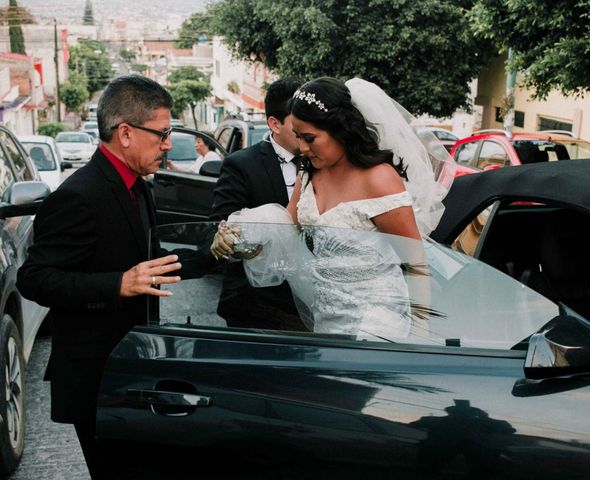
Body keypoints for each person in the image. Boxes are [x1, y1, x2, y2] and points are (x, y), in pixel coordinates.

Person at [16, 74, 182, 479]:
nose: (168, 144)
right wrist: (117, 284)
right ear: (125, 133)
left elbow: (149, 263)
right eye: (162, 134)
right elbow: (34, 279)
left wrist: (218, 249)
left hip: (133, 367)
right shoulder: (78, 195)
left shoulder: (138, 186)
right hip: (96, 378)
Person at [214, 77, 454, 339]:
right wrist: (239, 235)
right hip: (326, 319)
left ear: (340, 129)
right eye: (298, 137)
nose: (303, 148)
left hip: (377, 322)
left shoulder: (379, 179)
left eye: (310, 138)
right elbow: (285, 225)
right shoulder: (308, 173)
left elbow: (416, 264)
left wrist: (419, 335)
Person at [209, 77, 307, 331]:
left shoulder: (323, 161)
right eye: (299, 124)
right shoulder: (241, 164)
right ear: (274, 123)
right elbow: (221, 224)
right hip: (256, 303)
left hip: (309, 301)